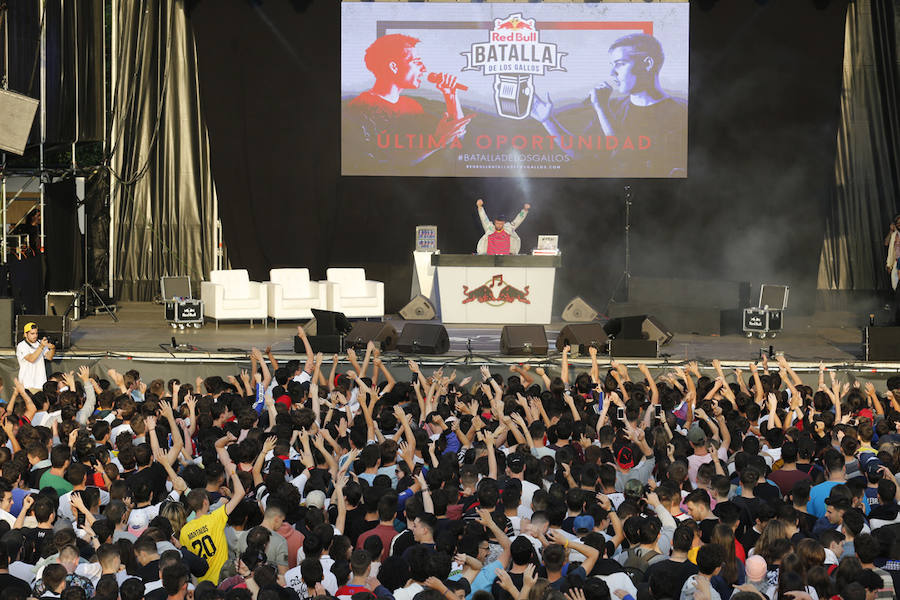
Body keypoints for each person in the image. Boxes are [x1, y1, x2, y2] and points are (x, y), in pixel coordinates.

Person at [531, 33, 686, 177]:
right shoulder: (612, 107)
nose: (612, 73)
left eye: (620, 64)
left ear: (648, 64)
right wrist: (548, 121)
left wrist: (602, 108)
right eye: (612, 65)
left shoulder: (681, 112)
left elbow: (626, 154)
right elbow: (581, 152)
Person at [345, 33, 471, 169]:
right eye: (416, 62)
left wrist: (451, 96)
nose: (424, 68)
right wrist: (435, 142)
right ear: (394, 67)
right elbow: (379, 165)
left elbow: (454, 136)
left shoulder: (412, 106)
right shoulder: (360, 108)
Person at [16, 322, 55, 392]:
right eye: (32, 333)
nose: (35, 336)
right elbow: (31, 359)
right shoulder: (21, 345)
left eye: (36, 333)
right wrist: (42, 346)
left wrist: (52, 348)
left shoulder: (40, 343)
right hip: (27, 384)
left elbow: (49, 357)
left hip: (41, 383)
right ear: (25, 334)